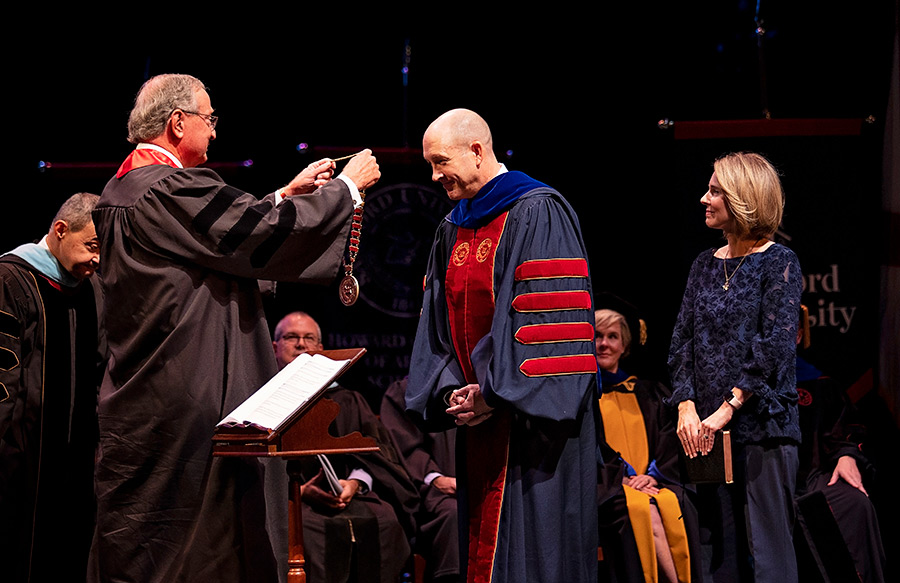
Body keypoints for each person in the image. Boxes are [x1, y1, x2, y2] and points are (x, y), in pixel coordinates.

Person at [89, 73, 381, 583]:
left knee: (145, 543)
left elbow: (212, 241)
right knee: (203, 547)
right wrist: (345, 189)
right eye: (210, 118)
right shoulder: (172, 189)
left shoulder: (124, 187)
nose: (216, 132)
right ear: (178, 122)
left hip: (144, 394)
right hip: (190, 394)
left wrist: (284, 194)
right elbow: (256, 238)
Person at [406, 108, 599, 582]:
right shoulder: (452, 226)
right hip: (479, 419)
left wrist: (494, 394)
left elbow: (551, 322)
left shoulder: (538, 211)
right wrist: (453, 388)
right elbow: (437, 323)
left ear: (477, 151)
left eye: (440, 161)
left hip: (536, 428)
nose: (434, 175)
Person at [668, 152, 803, 582]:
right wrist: (686, 407)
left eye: (714, 191)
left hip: (763, 428)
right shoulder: (703, 266)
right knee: (715, 556)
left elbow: (774, 345)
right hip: (706, 434)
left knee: (767, 555)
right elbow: (681, 344)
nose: (703, 199)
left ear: (743, 200)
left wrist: (730, 406)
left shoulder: (779, 262)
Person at [0, 192, 105, 582]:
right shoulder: (11, 278)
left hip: (77, 454)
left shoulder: (90, 288)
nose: (97, 259)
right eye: (92, 246)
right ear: (60, 230)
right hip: (21, 456)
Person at [272, 311, 419, 583]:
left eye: (309, 339)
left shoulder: (346, 400)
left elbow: (378, 455)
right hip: (291, 501)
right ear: (274, 347)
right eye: (291, 337)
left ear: (321, 349)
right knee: (308, 530)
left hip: (352, 496)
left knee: (387, 521)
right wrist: (301, 491)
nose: (301, 344)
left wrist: (355, 483)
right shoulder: (263, 402)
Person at [594, 307, 699, 583]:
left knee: (675, 503)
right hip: (608, 487)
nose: (604, 344)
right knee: (642, 509)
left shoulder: (650, 392)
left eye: (613, 336)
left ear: (624, 344)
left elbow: (668, 438)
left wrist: (652, 475)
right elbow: (593, 449)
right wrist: (624, 478)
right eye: (597, 336)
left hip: (652, 482)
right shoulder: (583, 399)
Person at [793, 307, 886, 583]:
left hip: (811, 478)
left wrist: (847, 455)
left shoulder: (819, 384)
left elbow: (845, 427)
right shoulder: (741, 387)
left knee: (857, 504)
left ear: (798, 336)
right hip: (764, 482)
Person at [381, 377, 459, 583]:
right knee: (454, 514)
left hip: (490, 486)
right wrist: (436, 478)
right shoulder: (409, 390)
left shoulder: (489, 384)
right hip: (431, 491)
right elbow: (405, 448)